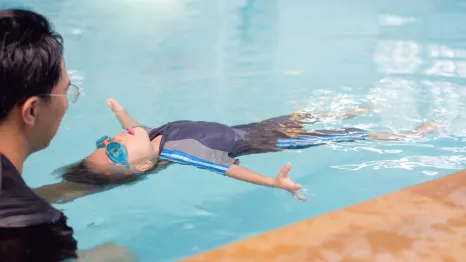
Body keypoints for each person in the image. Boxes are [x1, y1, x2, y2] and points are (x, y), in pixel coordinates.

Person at [34, 98, 440, 204]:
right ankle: (410, 135)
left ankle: (360, 107)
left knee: (312, 114)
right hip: (266, 141)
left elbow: (130, 133)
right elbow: (227, 171)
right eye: (115, 152)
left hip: (257, 126)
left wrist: (121, 113)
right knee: (344, 134)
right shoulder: (180, 151)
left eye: (105, 143)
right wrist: (273, 182)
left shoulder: (149, 138)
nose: (112, 140)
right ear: (143, 165)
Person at [0, 8, 136, 262]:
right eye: (65, 91)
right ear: (32, 110)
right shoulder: (32, 228)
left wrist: (84, 181)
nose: (66, 103)